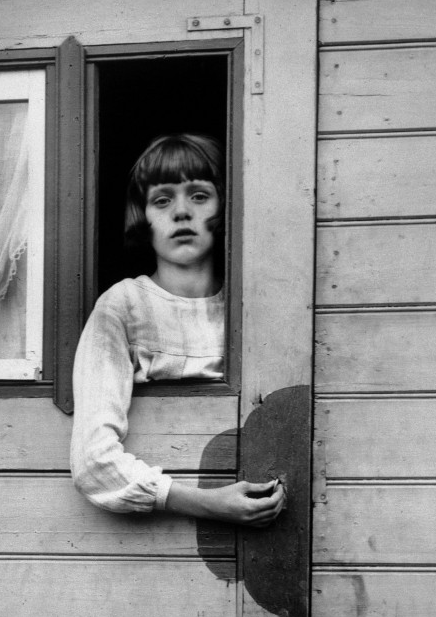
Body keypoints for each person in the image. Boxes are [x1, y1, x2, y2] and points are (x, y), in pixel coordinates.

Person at [70, 133, 285, 526]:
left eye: (199, 196)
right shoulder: (122, 306)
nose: (182, 212)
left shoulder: (257, 303)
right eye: (162, 199)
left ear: (225, 206)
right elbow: (92, 461)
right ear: (143, 215)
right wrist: (208, 503)